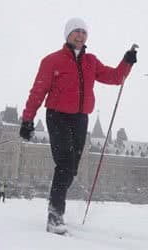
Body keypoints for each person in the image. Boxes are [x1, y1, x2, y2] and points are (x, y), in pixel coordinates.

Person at [19, 17, 137, 234]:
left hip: (81, 118)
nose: (80, 35)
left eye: (84, 32)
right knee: (64, 163)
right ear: (68, 35)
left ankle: (57, 209)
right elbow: (38, 91)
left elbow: (114, 77)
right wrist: (27, 119)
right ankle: (55, 216)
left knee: (72, 168)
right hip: (57, 116)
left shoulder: (91, 61)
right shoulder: (52, 60)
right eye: (76, 32)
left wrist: (126, 62)